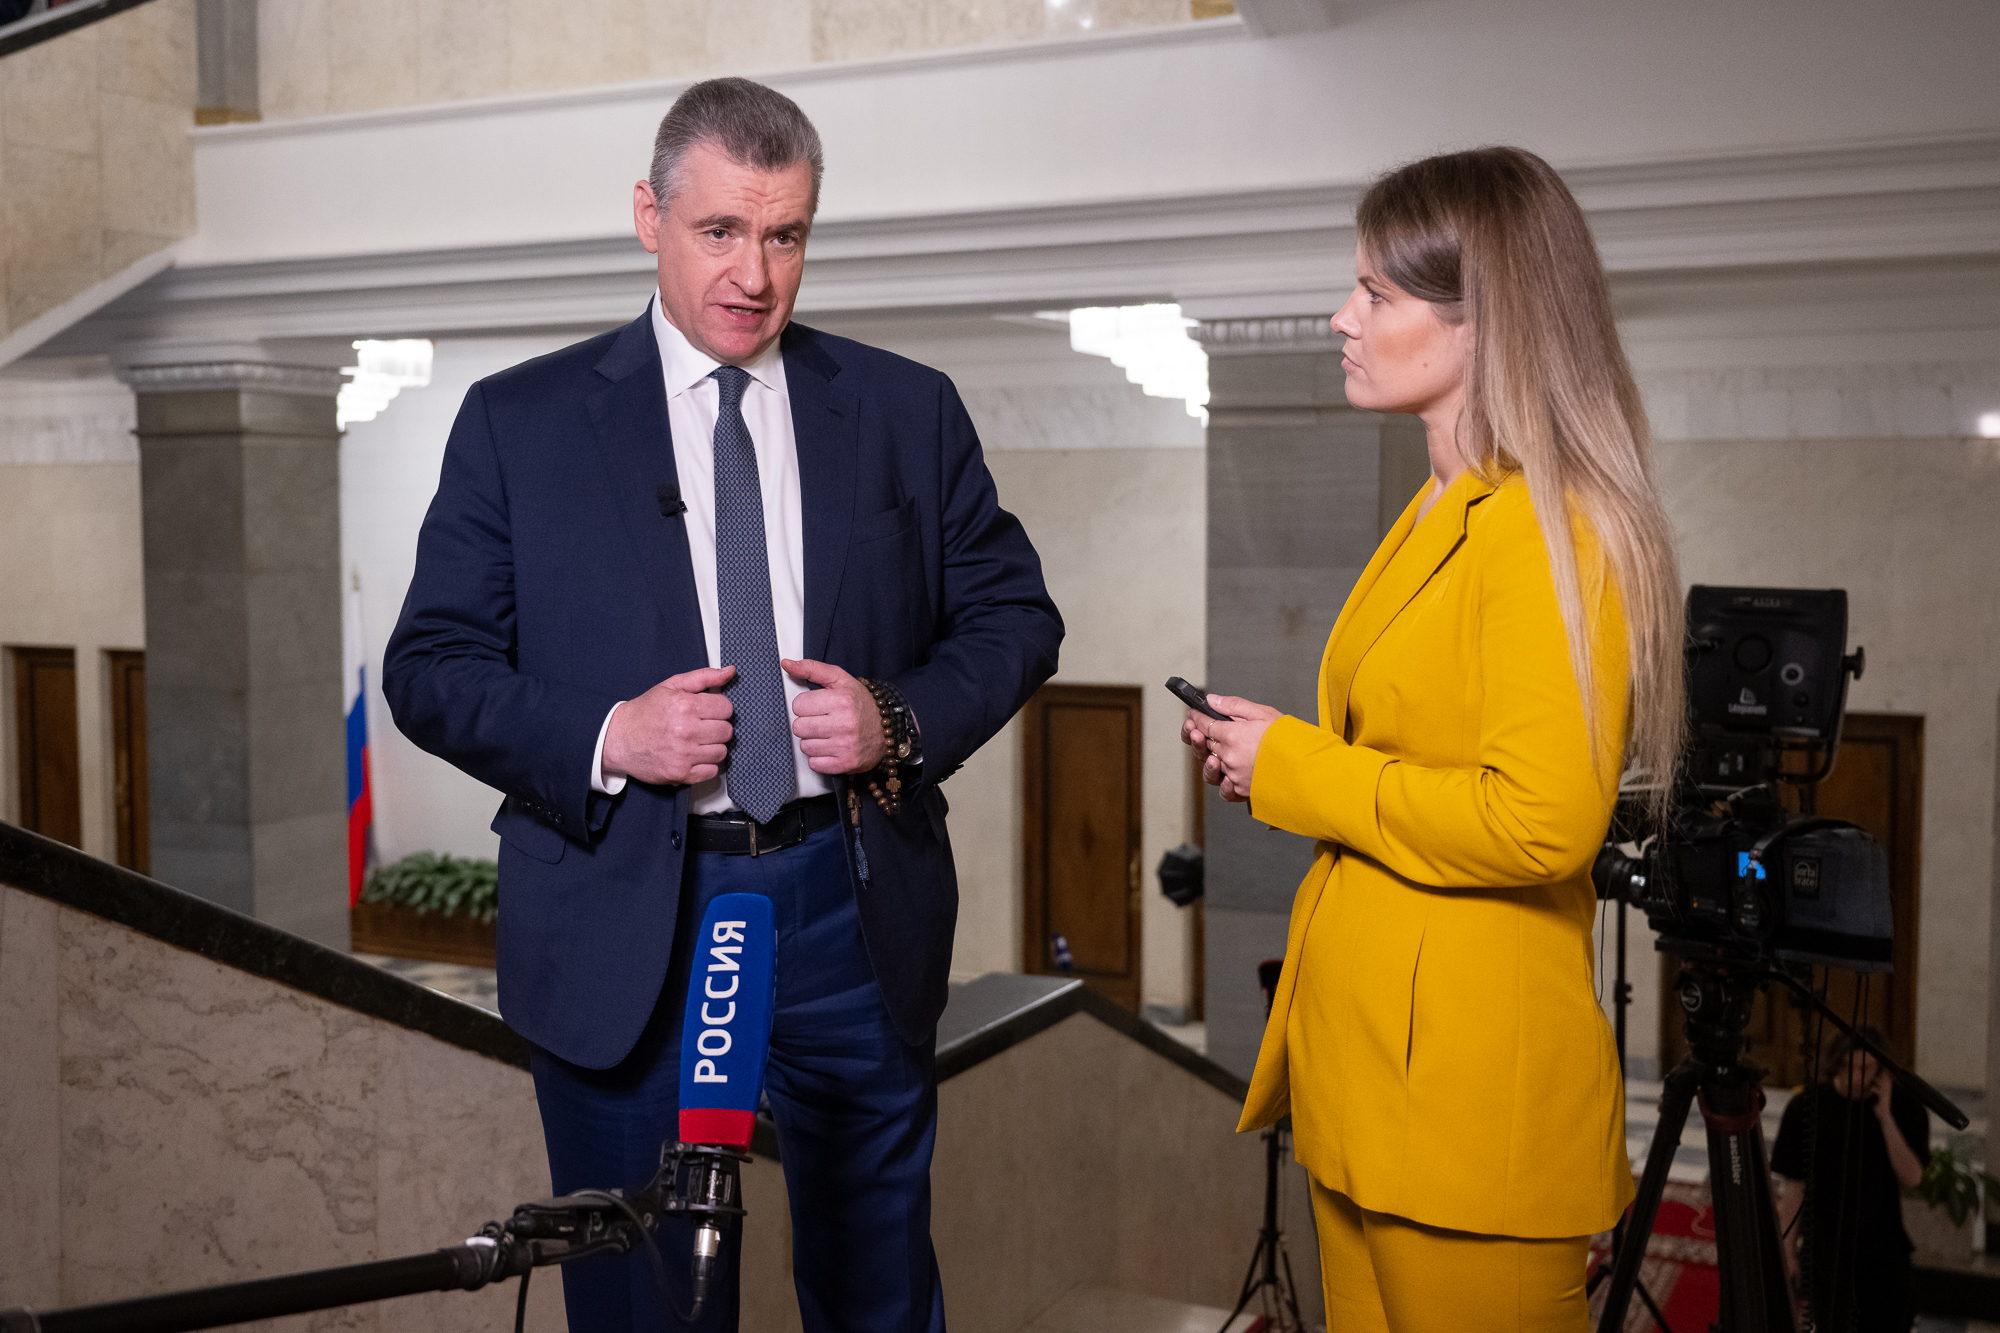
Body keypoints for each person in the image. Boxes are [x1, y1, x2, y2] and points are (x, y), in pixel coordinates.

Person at [382, 77, 1062, 1333]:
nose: (755, 274)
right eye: (720, 231)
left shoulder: (905, 408)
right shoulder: (518, 423)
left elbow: (1015, 618)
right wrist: (610, 735)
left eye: (785, 235)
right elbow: (429, 667)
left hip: (848, 906)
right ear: (649, 216)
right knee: (647, 1301)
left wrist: (895, 719)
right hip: (629, 916)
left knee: (878, 1296)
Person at [1184, 146, 1685, 1332]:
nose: (1340, 317)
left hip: (1465, 1108)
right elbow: (1416, 750)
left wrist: (1298, 768)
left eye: (1375, 293)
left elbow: (1539, 821)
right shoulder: (1437, 507)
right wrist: (1277, 755)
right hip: (1369, 1084)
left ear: (1483, 322)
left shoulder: (1552, 528)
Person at [1771, 1027, 1930, 1333]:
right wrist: (1787, 1253)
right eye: (1849, 1067)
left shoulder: (1905, 1107)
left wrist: (1885, 1118)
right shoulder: (1805, 1108)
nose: (1856, 1077)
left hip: (1885, 1248)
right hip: (1827, 1250)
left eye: (1866, 1068)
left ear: (1881, 1072)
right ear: (1836, 1064)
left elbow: (1912, 1177)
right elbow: (1793, 1188)